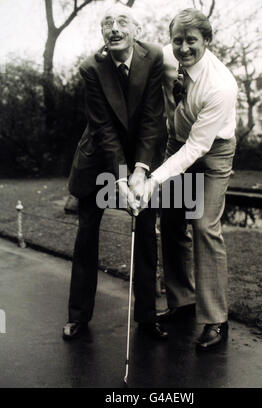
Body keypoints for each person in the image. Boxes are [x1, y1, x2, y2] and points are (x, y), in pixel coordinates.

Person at [63, 4, 168, 341]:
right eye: (107, 23)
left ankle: (148, 318)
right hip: (97, 160)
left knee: (146, 234)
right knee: (87, 235)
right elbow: (103, 128)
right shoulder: (91, 68)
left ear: (135, 30)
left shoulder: (152, 56)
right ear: (103, 34)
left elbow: (153, 116)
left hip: (142, 157)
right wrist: (120, 178)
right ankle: (78, 315)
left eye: (122, 22)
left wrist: (139, 170)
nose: (114, 29)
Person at [142, 8, 238, 350]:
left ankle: (216, 320)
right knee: (170, 222)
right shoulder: (168, 57)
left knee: (203, 226)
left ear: (207, 41)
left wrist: (153, 179)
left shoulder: (220, 86)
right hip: (177, 142)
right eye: (178, 39)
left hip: (213, 151)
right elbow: (141, 52)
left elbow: (198, 147)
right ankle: (183, 302)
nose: (183, 48)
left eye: (192, 41)